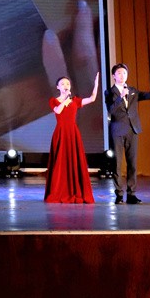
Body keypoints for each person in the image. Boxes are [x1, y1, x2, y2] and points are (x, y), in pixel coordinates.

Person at [104, 63, 150, 204]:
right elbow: (111, 110)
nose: (122, 76)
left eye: (124, 73)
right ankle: (119, 194)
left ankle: (131, 194)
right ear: (114, 76)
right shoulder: (109, 92)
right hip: (117, 131)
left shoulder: (133, 91)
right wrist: (120, 97)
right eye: (119, 73)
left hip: (132, 130)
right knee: (117, 164)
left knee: (132, 163)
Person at [44, 73, 99, 203]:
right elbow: (58, 111)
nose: (66, 85)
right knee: (60, 162)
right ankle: (59, 190)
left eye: (67, 84)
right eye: (62, 84)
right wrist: (65, 100)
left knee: (74, 160)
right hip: (61, 132)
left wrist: (96, 84)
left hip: (73, 133)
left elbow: (92, 99)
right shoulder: (53, 100)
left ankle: (75, 190)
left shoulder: (75, 100)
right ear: (58, 87)